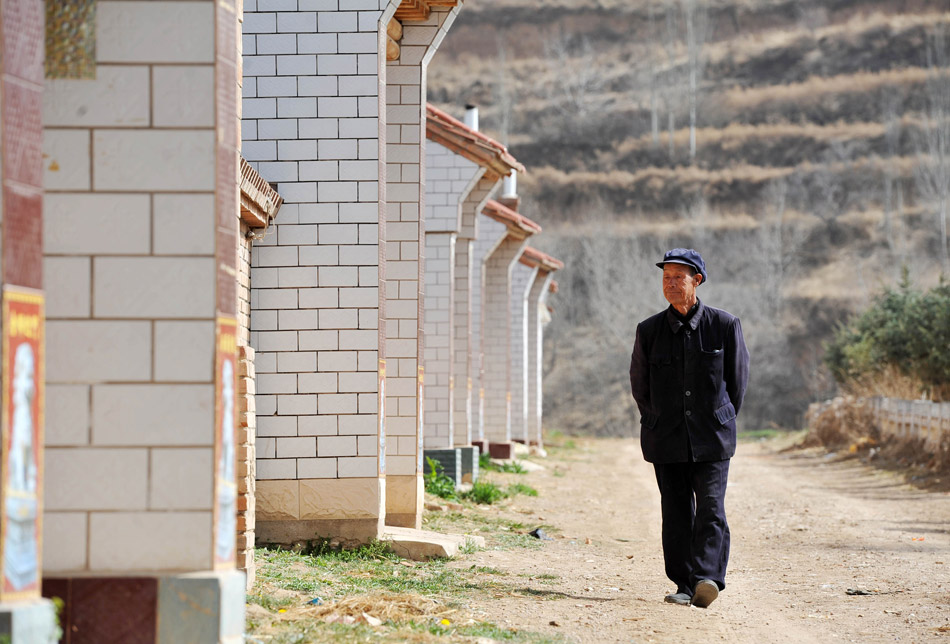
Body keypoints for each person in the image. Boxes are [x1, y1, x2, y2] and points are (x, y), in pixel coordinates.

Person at [629, 248, 749, 608]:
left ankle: (708, 578)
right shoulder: (649, 330)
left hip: (712, 436)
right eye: (665, 278)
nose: (670, 284)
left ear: (697, 280)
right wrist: (656, 417)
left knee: (711, 507)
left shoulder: (724, 325)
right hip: (665, 437)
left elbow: (737, 383)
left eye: (678, 277)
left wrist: (719, 417)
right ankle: (683, 582)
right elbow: (640, 383)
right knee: (676, 511)